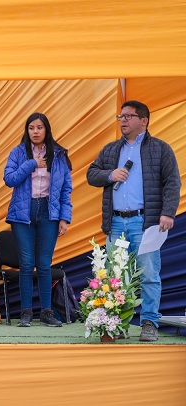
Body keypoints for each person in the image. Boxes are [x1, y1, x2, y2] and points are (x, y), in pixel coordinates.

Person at [87, 100, 181, 341]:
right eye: (121, 116)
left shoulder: (160, 149)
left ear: (144, 121)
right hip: (116, 222)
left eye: (129, 116)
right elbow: (91, 174)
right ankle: (118, 323)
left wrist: (168, 212)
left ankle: (149, 322)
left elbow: (172, 182)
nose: (123, 120)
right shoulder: (111, 150)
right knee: (115, 277)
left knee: (149, 274)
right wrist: (110, 174)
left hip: (145, 222)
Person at [3, 112, 72, 328]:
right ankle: (25, 312)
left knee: (43, 264)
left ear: (46, 129)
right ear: (27, 130)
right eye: (31, 128)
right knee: (26, 264)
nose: (35, 132)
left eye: (39, 127)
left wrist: (64, 218)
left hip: (49, 213)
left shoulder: (58, 154)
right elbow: (9, 179)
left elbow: (65, 189)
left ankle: (46, 312)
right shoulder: (18, 152)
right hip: (23, 213)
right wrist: (31, 163)